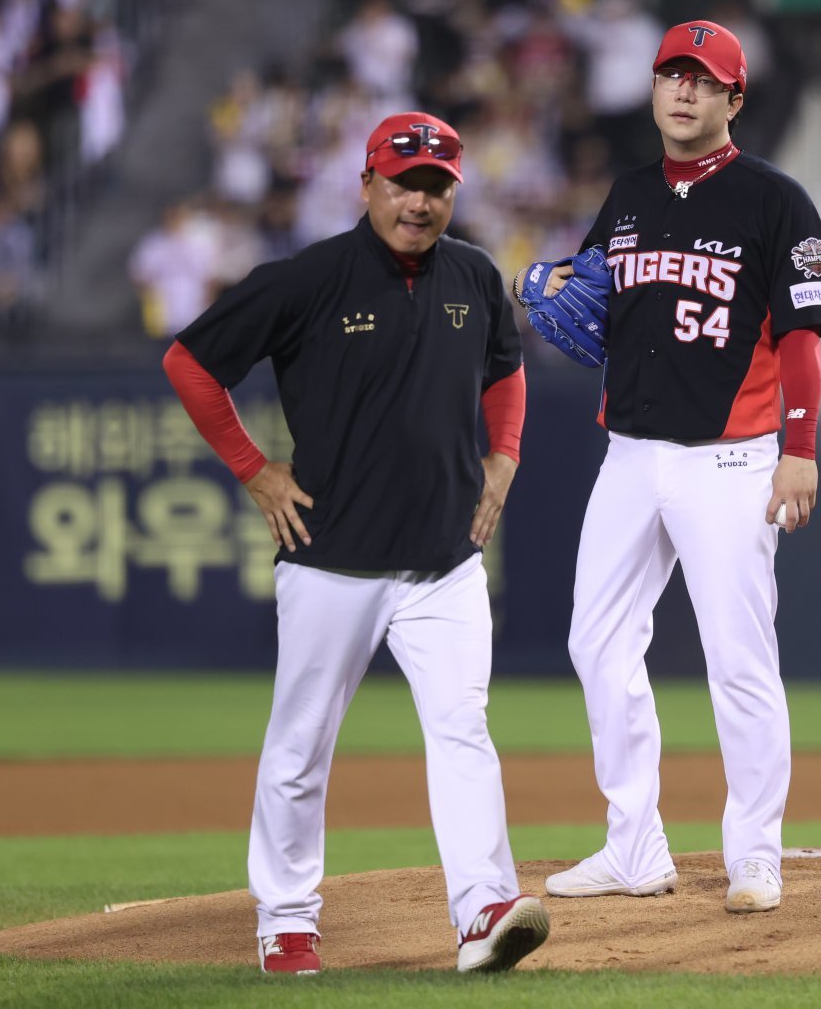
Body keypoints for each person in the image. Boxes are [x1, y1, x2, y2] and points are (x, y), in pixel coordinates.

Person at [162, 112, 549, 974]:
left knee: (463, 732)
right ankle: (288, 918)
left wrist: (506, 455)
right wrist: (254, 469)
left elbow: (506, 367)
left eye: (437, 184)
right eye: (405, 182)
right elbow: (190, 364)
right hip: (331, 557)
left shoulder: (475, 274)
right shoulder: (309, 278)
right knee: (300, 746)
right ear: (367, 184)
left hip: (445, 562)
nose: (420, 200)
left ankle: (483, 907)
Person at [524, 20, 821, 913]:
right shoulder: (626, 195)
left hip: (734, 459)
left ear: (735, 99)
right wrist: (562, 293)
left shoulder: (776, 201)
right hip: (629, 452)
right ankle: (635, 845)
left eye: (704, 79)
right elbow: (594, 303)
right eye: (671, 74)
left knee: (739, 658)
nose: (684, 90)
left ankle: (755, 854)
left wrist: (801, 449)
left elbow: (804, 337)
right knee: (597, 642)